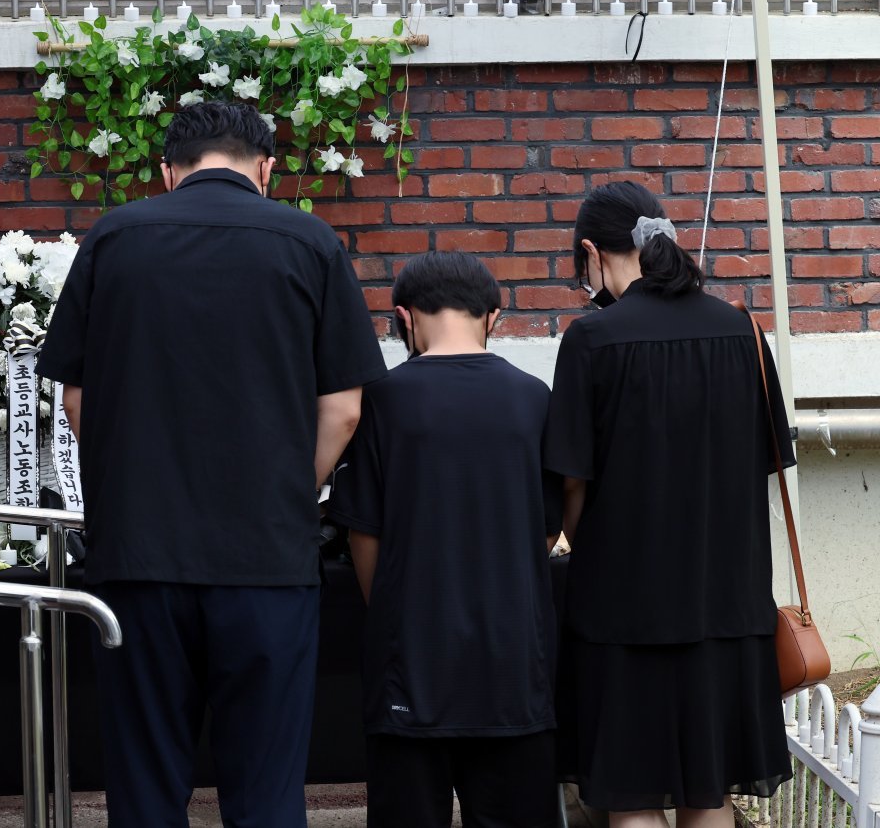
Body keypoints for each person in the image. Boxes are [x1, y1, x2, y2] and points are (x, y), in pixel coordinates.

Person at [36, 101, 388, 827]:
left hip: (138, 557)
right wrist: (293, 491)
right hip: (265, 557)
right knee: (264, 790)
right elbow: (345, 408)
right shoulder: (310, 242)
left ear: (168, 172)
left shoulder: (113, 238)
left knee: (144, 785)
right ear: (265, 169)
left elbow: (75, 399)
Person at [544, 181, 795, 826]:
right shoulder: (742, 330)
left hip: (622, 612)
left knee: (629, 799)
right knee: (706, 794)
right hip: (726, 603)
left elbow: (570, 483)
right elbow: (767, 463)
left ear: (594, 252)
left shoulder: (591, 340)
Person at [326, 251, 562, 828]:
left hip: (410, 663)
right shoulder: (534, 398)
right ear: (495, 315)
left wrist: (390, 613)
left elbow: (364, 534)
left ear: (404, 318)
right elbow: (547, 526)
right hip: (513, 665)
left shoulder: (379, 401)